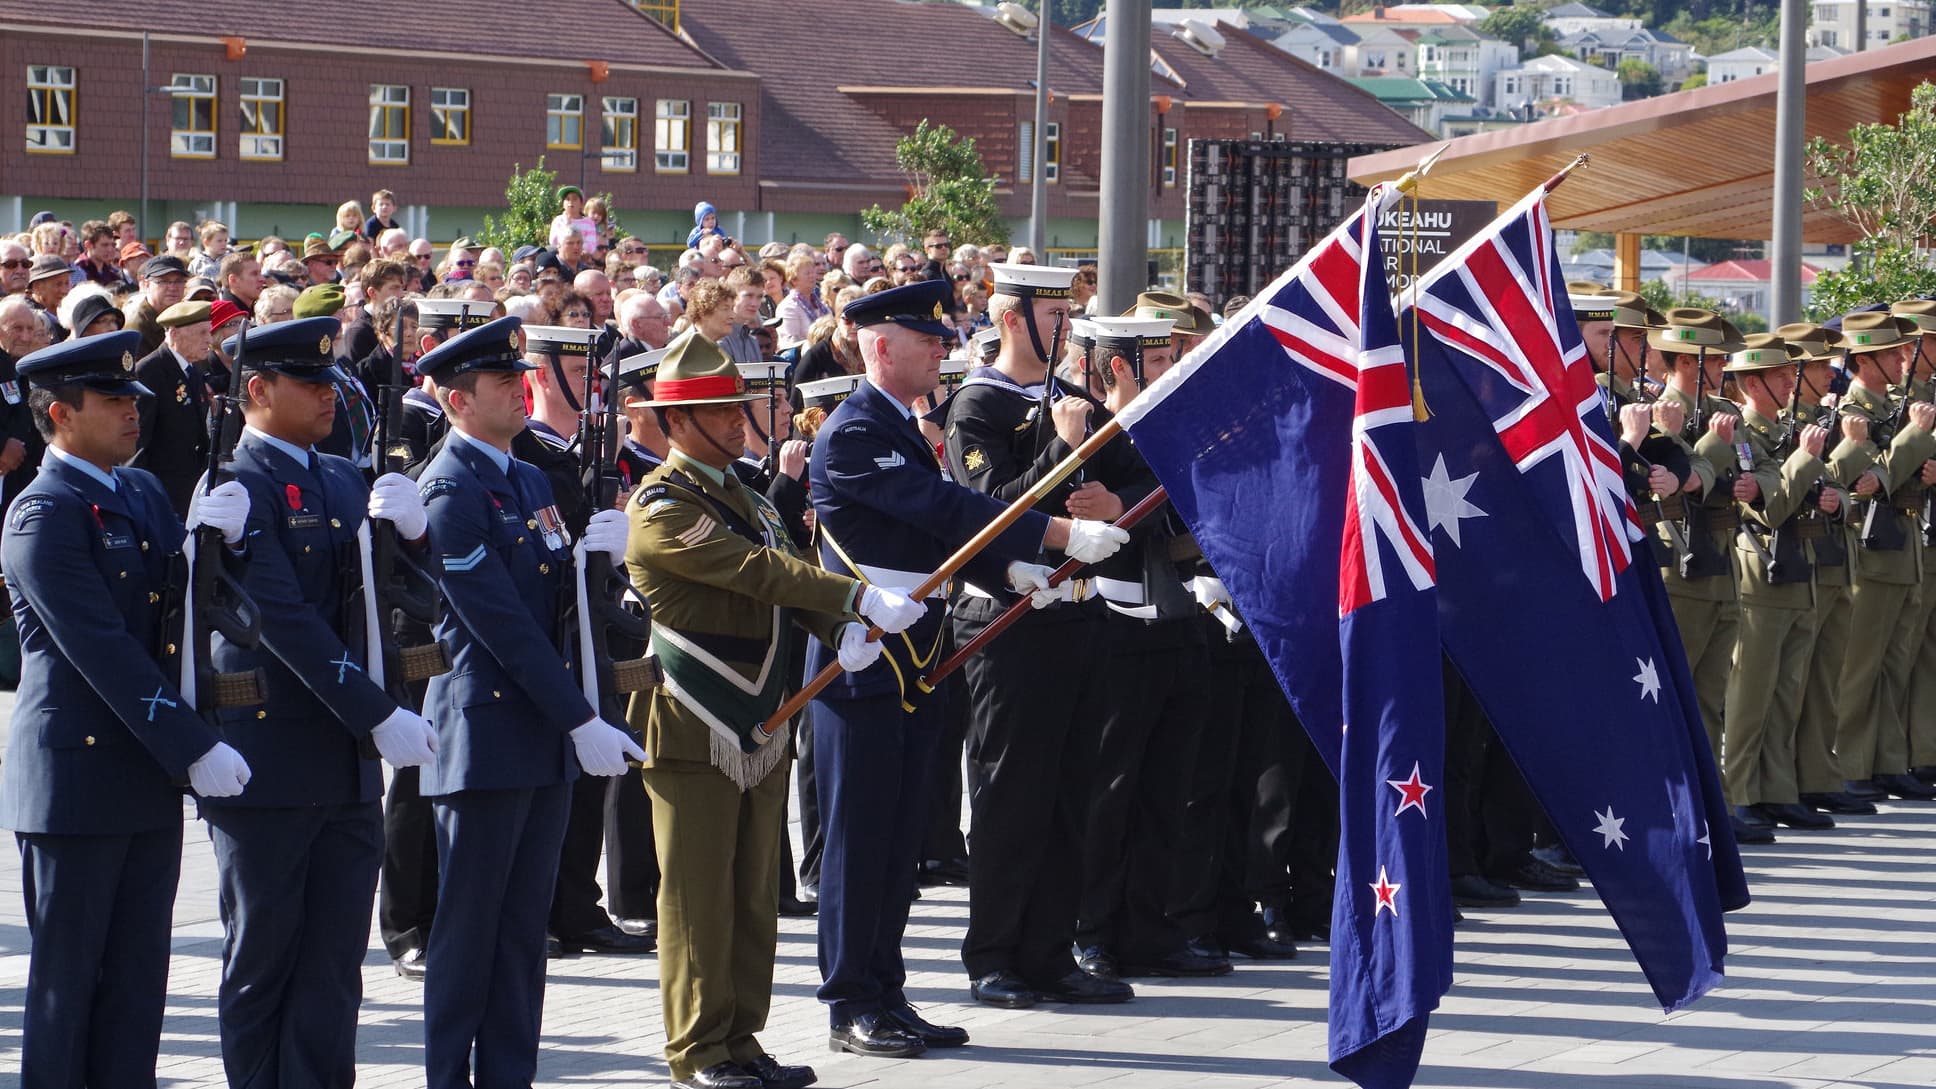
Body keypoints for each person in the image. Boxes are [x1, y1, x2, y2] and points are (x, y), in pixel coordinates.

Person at [811, 277, 1131, 1050]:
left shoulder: (901, 424)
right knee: (860, 844)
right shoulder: (854, 432)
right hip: (863, 666)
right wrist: (1050, 538)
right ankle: (851, 999)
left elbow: (936, 538)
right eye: (925, 341)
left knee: (900, 845)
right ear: (879, 347)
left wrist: (1003, 573)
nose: (940, 350)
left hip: (914, 659)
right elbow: (946, 510)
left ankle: (887, 990)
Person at [625, 331, 909, 1089]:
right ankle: (697, 1049)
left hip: (762, 717)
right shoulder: (660, 503)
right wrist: (850, 597)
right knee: (697, 898)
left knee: (752, 894)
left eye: (737, 406)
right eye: (717, 411)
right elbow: (752, 571)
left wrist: (837, 628)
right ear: (676, 423)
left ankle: (742, 1038)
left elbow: (791, 574)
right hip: (693, 718)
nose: (735, 420)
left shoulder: (749, 496)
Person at [1, 329, 254, 1088]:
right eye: (111, 401)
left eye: (131, 399)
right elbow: (102, 649)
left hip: (143, 774)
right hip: (77, 779)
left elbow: (181, 612)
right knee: (69, 985)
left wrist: (224, 543)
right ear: (58, 412)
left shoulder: (140, 490)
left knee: (138, 980)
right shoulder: (42, 513)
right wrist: (193, 744)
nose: (130, 412)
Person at [197, 316, 440, 1087]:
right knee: (263, 959)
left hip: (344, 771)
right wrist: (378, 711)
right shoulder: (235, 484)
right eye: (309, 383)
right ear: (257, 391)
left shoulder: (341, 475)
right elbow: (283, 622)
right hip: (271, 759)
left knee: (335, 966)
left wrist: (419, 533)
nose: (328, 395)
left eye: (331, 380)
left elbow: (394, 596)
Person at [412, 315, 644, 1089]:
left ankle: (508, 1075)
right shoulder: (448, 487)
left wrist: (597, 567)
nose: (520, 390)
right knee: (469, 935)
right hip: (487, 737)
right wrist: (582, 718)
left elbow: (556, 604)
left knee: (521, 937)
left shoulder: (529, 478)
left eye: (521, 378)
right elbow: (500, 624)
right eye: (501, 383)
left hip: (540, 738)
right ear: (455, 400)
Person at [942, 263, 1143, 1009]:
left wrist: (1110, 495)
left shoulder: (1075, 401)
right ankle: (993, 953)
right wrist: (1063, 454)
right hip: (1010, 619)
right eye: (1049, 310)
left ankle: (1050, 951)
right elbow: (985, 508)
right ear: (1010, 318)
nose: (1063, 322)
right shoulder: (978, 404)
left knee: (1070, 792)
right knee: (1009, 792)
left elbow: (1136, 483)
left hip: (1078, 614)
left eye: (1067, 308)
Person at [1715, 334, 1836, 836]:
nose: (1792, 381)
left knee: (1787, 691)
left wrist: (1835, 499)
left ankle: (1776, 790)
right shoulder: (1742, 435)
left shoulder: (1789, 432)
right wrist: (1806, 461)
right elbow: (1769, 507)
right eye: (1781, 375)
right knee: (1752, 692)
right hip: (1761, 570)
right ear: (1750, 382)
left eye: (1791, 374)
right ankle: (1741, 793)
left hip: (1797, 565)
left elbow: (1832, 490)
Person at [1828, 311, 1936, 803]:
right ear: (1866, 358)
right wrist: (1915, 443)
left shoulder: (1898, 405)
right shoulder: (1853, 411)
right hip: (1873, 546)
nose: (1902, 359)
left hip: (1904, 540)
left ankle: (1888, 760)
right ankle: (1850, 763)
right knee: (1861, 664)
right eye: (1893, 353)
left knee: (1897, 660)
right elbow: (1866, 476)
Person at [132, 300, 216, 518]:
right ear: (175, 334)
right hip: (162, 496)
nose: (209, 339)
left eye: (210, 332)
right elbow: (137, 444)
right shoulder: (150, 372)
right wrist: (143, 499)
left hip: (191, 494)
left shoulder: (192, 370)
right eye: (202, 333)